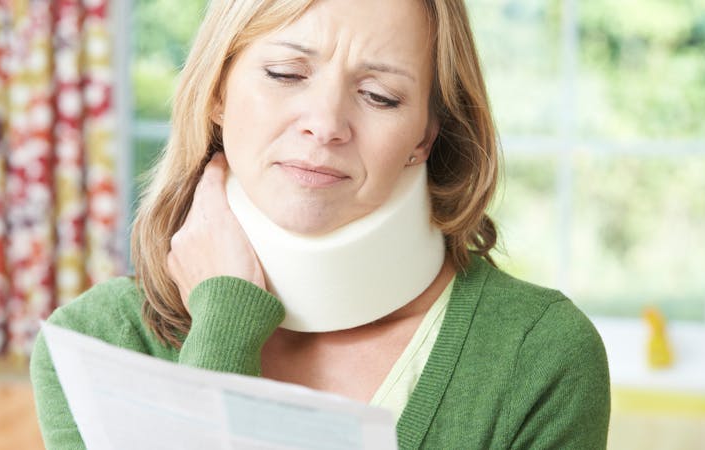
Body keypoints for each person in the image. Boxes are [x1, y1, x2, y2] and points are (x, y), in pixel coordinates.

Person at [30, 0, 611, 448]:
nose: (326, 124)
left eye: (380, 96)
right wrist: (225, 320)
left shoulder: (541, 355)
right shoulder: (94, 344)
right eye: (285, 73)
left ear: (425, 137)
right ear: (217, 93)